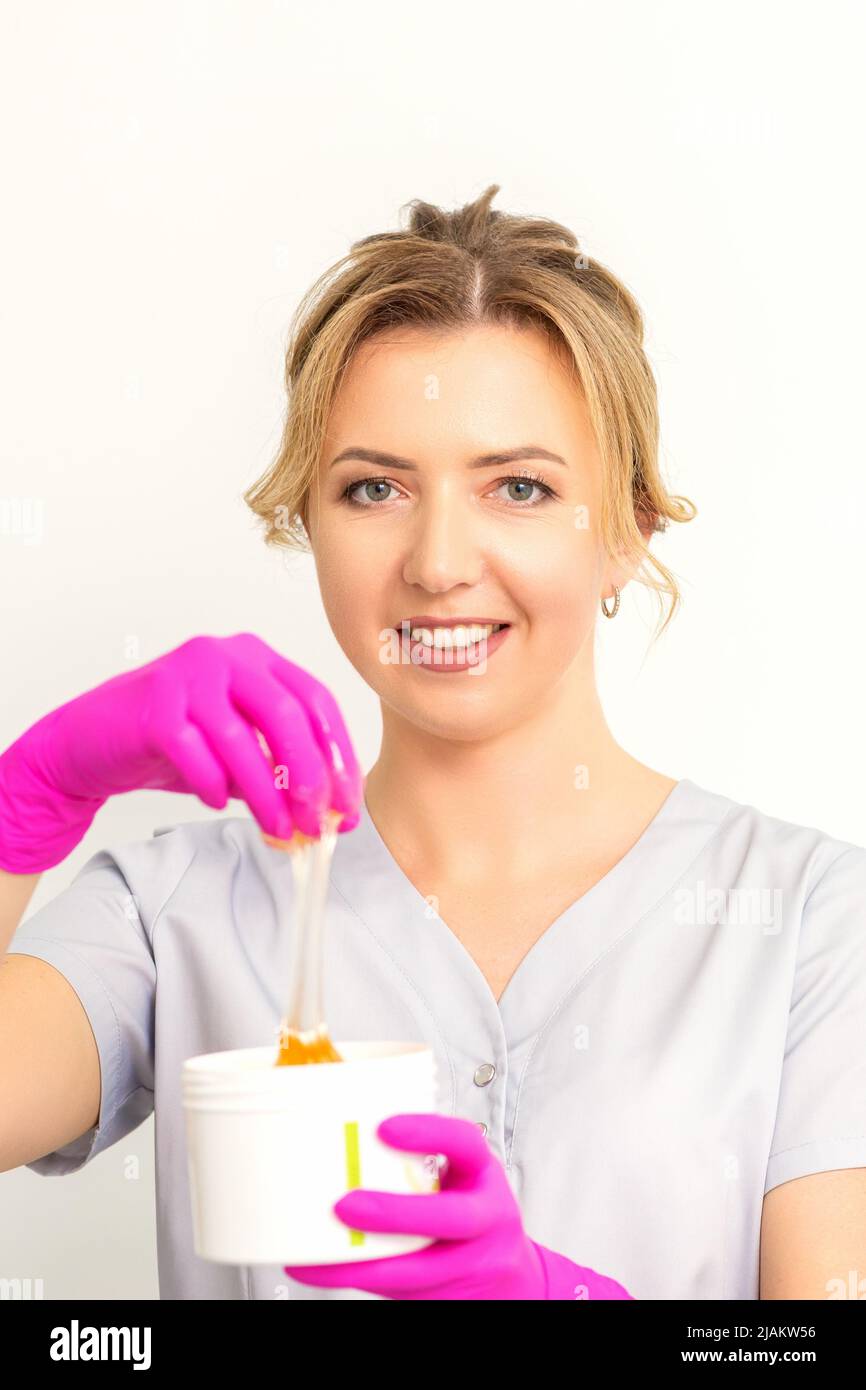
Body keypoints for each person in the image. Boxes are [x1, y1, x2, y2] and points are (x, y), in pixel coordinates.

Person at [1, 185, 864, 1301]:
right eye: (373, 488)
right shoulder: (171, 916)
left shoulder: (806, 923)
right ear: (306, 523)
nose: (439, 560)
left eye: (517, 486)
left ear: (623, 531)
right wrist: (31, 796)